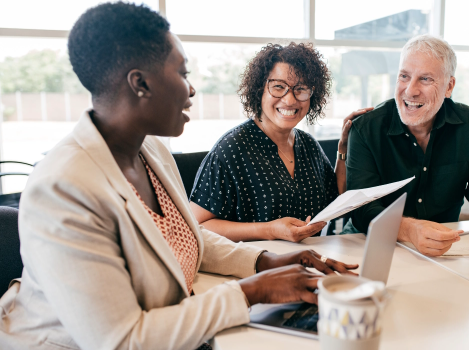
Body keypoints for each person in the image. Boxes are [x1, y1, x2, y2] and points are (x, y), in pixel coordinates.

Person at [0, 3, 358, 350]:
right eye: (183, 73)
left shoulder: (151, 150)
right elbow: (122, 340)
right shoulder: (63, 188)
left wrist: (266, 262)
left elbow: (187, 235)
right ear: (140, 83)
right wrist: (253, 290)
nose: (191, 90)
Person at [344, 34, 469, 259]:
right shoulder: (366, 128)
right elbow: (362, 209)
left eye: (426, 79)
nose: (410, 90)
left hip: (442, 249)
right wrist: (410, 230)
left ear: (449, 86)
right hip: (369, 242)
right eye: (404, 76)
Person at [190, 43, 372, 242]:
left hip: (309, 261)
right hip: (255, 266)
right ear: (260, 89)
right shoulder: (231, 149)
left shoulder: (308, 145)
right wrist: (270, 230)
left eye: (300, 89)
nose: (290, 100)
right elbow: (198, 226)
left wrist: (344, 148)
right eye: (279, 87)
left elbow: (336, 197)